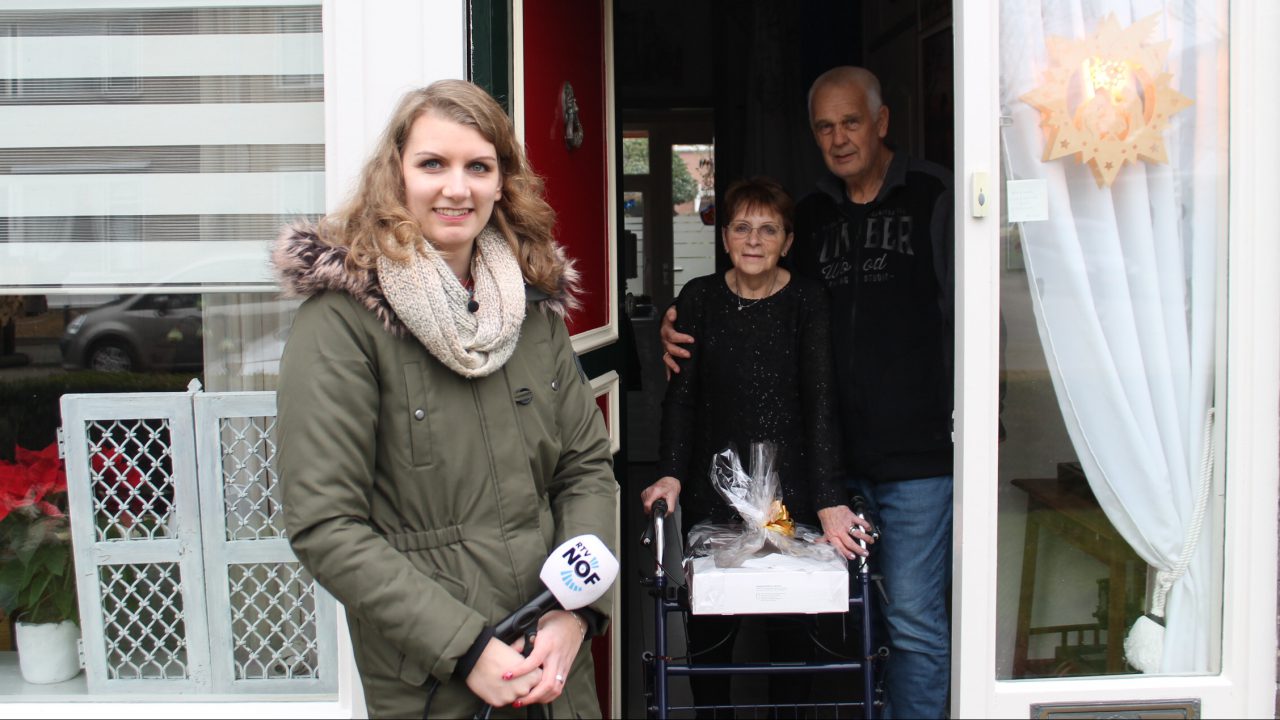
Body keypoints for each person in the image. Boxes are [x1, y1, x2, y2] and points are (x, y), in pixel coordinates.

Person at [273, 79, 617, 719]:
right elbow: (326, 524)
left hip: (554, 675)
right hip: (437, 686)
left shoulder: (530, 310)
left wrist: (577, 612)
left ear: (502, 183)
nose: (456, 189)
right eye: (433, 163)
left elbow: (585, 470)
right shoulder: (342, 323)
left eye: (478, 167)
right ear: (395, 174)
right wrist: (468, 650)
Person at [662, 66, 955, 719]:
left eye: (851, 121)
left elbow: (971, 318)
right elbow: (759, 293)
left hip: (915, 458)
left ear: (881, 122)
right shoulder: (814, 213)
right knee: (833, 622)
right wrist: (683, 324)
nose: (839, 138)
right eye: (824, 126)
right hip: (825, 469)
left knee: (909, 621)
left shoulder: (936, 197)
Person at [641, 176, 869, 715]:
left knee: (791, 638)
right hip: (710, 495)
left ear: (787, 241)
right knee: (711, 637)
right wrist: (670, 472)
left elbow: (821, 402)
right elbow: (682, 399)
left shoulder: (807, 300)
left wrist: (830, 496)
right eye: (742, 227)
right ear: (724, 237)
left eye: (768, 229)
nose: (753, 240)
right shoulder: (698, 298)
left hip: (790, 499)